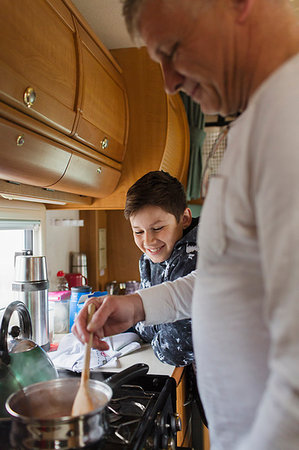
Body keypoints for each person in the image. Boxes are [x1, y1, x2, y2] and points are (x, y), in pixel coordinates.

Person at [72, 1, 299, 449]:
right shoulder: (260, 121)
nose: (169, 82)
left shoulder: (287, 124)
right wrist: (136, 306)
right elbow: (221, 281)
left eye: (173, 49)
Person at [124, 170, 198, 366]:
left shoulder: (193, 256)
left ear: (184, 218)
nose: (148, 241)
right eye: (138, 231)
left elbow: (176, 349)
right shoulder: (149, 259)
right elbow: (144, 327)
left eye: (157, 228)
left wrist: (153, 326)